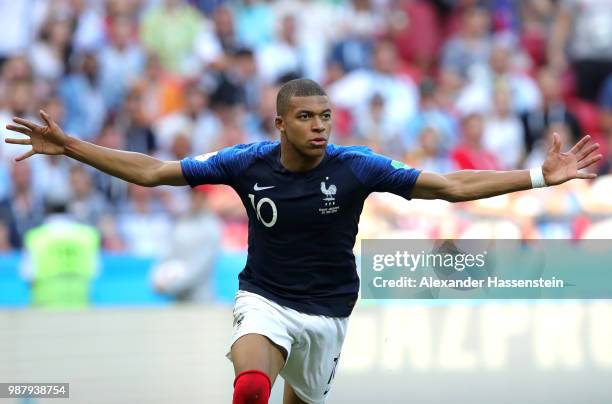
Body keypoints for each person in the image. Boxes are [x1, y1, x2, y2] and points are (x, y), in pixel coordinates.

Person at [4, 78, 602, 404]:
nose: (320, 126)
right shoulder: (244, 163)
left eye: (326, 117)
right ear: (281, 124)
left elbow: (447, 184)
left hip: (329, 311)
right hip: (263, 296)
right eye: (307, 117)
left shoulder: (357, 166)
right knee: (251, 384)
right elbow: (154, 171)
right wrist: (75, 146)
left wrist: (535, 177)